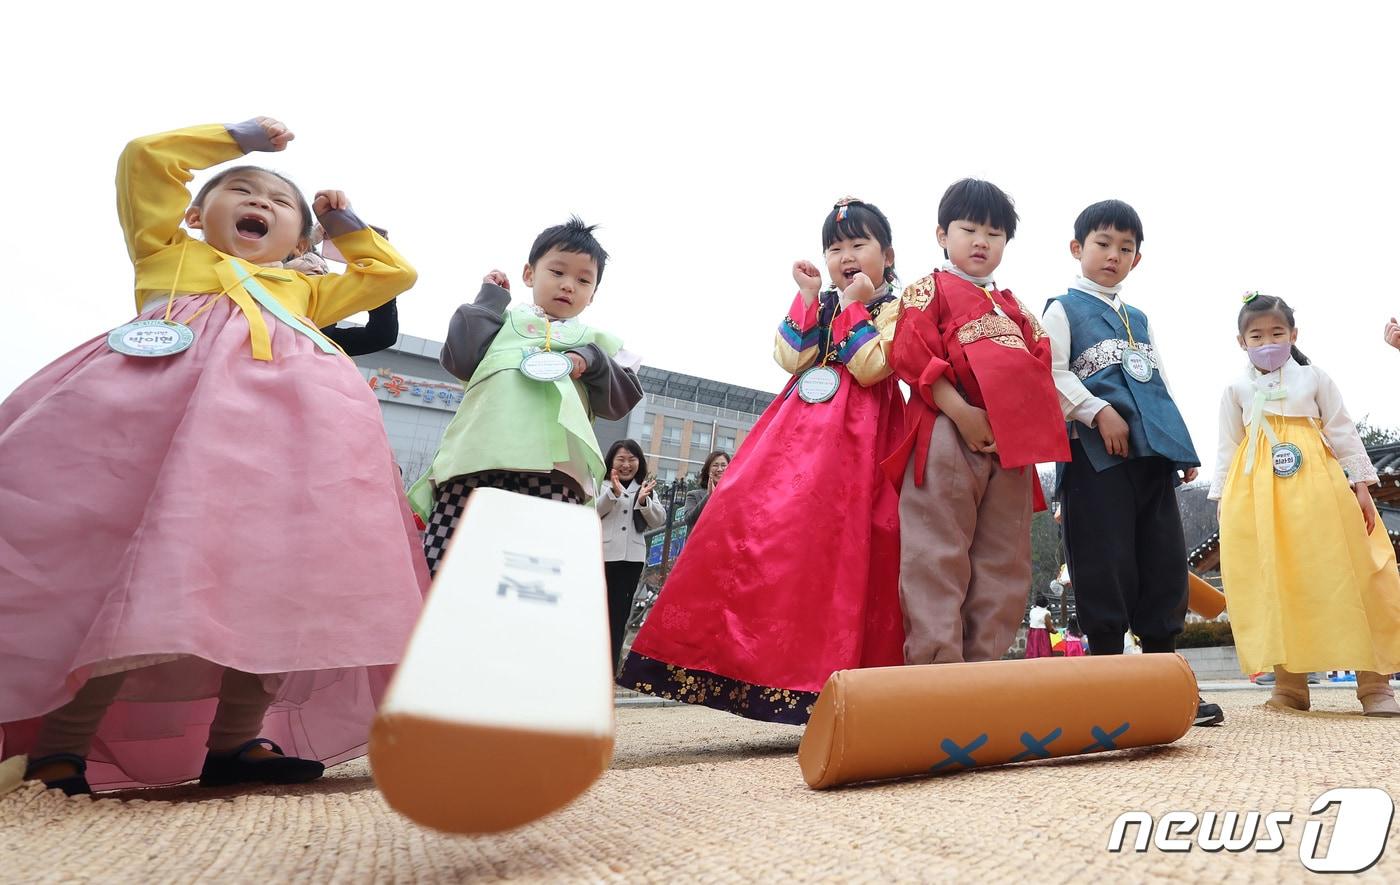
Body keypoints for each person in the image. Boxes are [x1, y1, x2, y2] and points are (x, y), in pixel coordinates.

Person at [0, 118, 427, 794]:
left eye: (279, 201)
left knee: (274, 585)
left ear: (301, 241)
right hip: (163, 454)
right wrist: (235, 140)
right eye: (241, 191)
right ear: (196, 215)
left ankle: (235, 743)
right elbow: (146, 158)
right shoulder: (167, 254)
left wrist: (344, 221)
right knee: (134, 581)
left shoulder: (308, 290)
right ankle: (62, 747)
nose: (261, 201)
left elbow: (392, 271)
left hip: (286, 460)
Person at [617, 198, 907, 725]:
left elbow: (872, 367)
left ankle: (841, 685)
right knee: (756, 531)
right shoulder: (824, 304)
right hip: (797, 434)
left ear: (887, 254)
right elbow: (790, 357)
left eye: (859, 245)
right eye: (835, 247)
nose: (845, 255)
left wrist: (854, 308)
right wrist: (808, 296)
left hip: (861, 441)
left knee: (848, 551)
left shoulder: (898, 308)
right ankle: (746, 668)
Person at [1042, 199, 1223, 727]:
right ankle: (1107, 687)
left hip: (1150, 459)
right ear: (1077, 249)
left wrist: (1178, 448)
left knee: (1162, 562)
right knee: (1105, 563)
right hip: (1095, 459)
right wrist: (1098, 412)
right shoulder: (1063, 307)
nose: (1113, 255)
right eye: (1102, 244)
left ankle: (1167, 685)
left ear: (1137, 260)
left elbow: (1157, 382)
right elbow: (1049, 374)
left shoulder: (1137, 318)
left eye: (1126, 248)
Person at [886, 179, 1069, 666]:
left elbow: (1040, 367)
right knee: (936, 552)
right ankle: (935, 669)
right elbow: (908, 350)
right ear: (942, 234)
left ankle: (984, 669)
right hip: (947, 428)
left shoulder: (1019, 311)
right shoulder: (930, 289)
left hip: (1011, 446)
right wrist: (961, 412)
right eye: (968, 229)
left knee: (1004, 560)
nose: (981, 241)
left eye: (995, 233)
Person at [408, 218, 644, 577]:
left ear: (593, 294)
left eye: (583, 280)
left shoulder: (600, 341)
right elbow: (460, 358)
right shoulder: (500, 321)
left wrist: (591, 360)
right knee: (449, 562)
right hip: (474, 462)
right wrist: (488, 301)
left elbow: (621, 400)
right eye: (558, 271)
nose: (568, 285)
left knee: (537, 567)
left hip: (554, 471)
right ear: (529, 273)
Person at [1212, 293, 1400, 716]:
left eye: (1277, 333)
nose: (1267, 341)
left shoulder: (1315, 378)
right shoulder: (1236, 389)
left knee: (1351, 571)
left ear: (1293, 334)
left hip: (1321, 488)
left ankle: (1375, 686)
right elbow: (1227, 448)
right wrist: (1223, 500)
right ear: (1241, 341)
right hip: (1259, 497)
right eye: (1256, 335)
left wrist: (1363, 487)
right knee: (1275, 580)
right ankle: (1289, 687)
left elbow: (1343, 430)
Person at [597, 439, 665, 671]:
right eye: (621, 459)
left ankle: (610, 666)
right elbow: (593, 511)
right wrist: (613, 494)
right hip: (603, 557)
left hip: (631, 561)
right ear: (611, 461)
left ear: (640, 462)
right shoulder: (602, 484)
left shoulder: (645, 488)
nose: (626, 465)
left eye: (632, 459)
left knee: (620, 615)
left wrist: (644, 502)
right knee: (598, 611)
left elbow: (659, 520)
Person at [290, 224, 401, 357]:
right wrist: (310, 239)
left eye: (325, 270)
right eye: (308, 260)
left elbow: (382, 336)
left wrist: (378, 277)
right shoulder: (262, 288)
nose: (319, 269)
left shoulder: (323, 336)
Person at [682, 450, 730, 532]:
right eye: (715, 465)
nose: (719, 469)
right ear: (708, 470)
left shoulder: (735, 495)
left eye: (723, 465)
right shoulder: (693, 495)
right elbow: (689, 520)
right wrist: (709, 496)